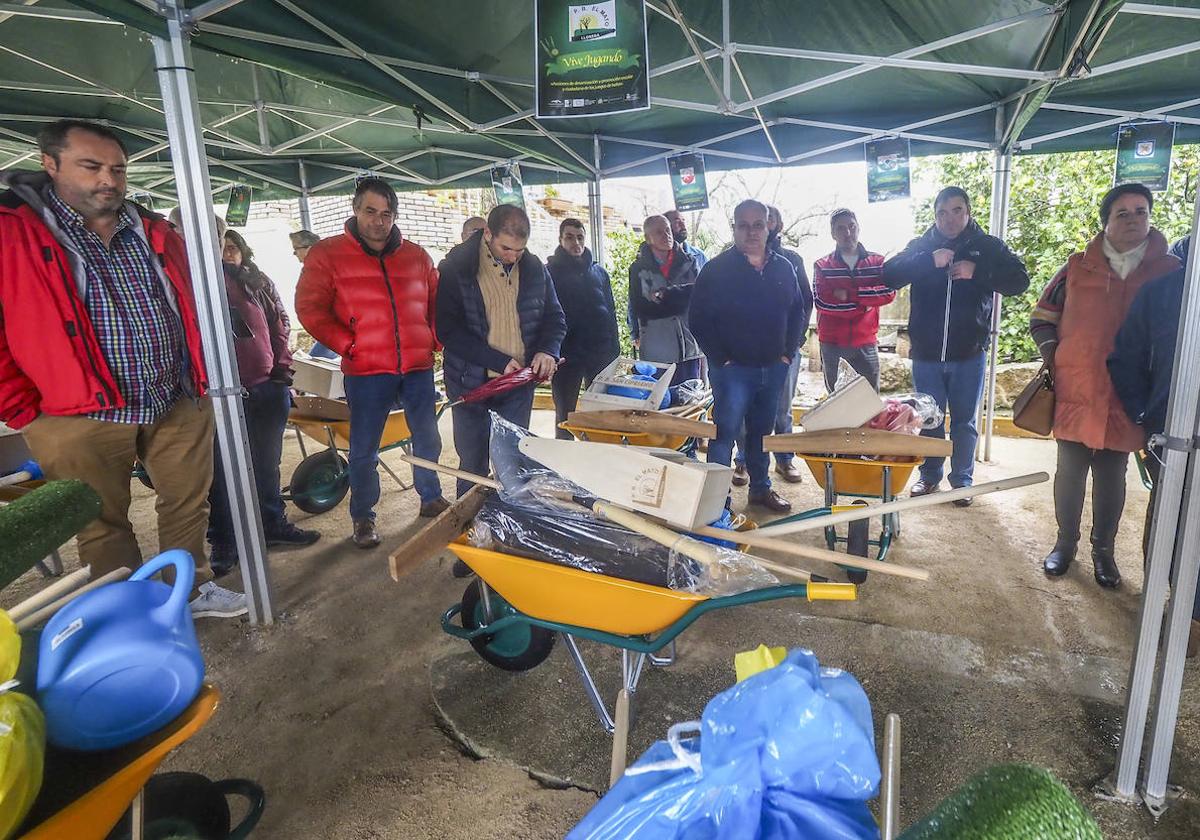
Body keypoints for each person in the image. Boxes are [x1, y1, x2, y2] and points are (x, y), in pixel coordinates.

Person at [0, 119, 246, 618]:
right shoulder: (13, 233)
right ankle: (129, 614)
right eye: (91, 167)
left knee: (186, 504)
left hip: (171, 396)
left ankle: (190, 590)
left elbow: (191, 303)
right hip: (76, 411)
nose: (108, 180)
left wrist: (197, 376)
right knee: (100, 519)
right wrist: (23, 408)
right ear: (51, 164)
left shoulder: (150, 228)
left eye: (117, 168)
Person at [1030, 184, 1180, 587]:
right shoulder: (1077, 267)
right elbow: (1042, 316)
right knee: (1070, 470)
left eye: (1140, 211)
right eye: (1123, 213)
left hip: (1130, 395)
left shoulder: (1170, 272)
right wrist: (1058, 356)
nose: (1133, 220)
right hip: (1077, 388)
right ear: (1106, 222)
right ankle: (1064, 544)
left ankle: (1104, 551)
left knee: (1113, 474)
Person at [296, 177, 447, 549]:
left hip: (416, 366)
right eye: (371, 212)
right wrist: (348, 344)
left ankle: (430, 497)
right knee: (364, 448)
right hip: (366, 371)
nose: (379, 221)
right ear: (355, 209)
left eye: (386, 214)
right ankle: (363, 516)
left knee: (428, 437)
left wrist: (435, 339)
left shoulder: (417, 256)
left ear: (395, 216)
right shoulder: (327, 255)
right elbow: (309, 308)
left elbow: (435, 302)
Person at [883, 186, 1029, 505]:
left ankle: (962, 481)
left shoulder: (987, 246)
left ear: (968, 212)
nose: (949, 219)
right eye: (942, 213)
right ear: (934, 216)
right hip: (926, 354)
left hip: (969, 353)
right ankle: (929, 476)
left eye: (956, 210)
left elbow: (1019, 280)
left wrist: (978, 272)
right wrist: (927, 261)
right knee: (929, 418)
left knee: (964, 421)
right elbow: (889, 275)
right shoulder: (922, 245)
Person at [207, 230, 319, 574]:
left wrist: (282, 371)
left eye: (232, 247)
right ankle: (224, 540)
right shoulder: (200, 283)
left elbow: (281, 326)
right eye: (220, 248)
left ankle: (272, 524)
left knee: (267, 463)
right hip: (220, 394)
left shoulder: (258, 282)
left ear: (242, 251)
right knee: (221, 472)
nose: (227, 254)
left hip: (267, 387)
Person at [437, 204, 566, 499]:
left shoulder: (534, 269)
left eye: (519, 250)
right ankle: (471, 526)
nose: (513, 257)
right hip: (470, 385)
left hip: (517, 386)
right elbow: (448, 330)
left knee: (512, 461)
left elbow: (555, 319)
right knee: (472, 464)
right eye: (506, 248)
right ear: (487, 233)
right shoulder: (457, 268)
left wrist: (547, 350)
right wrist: (496, 360)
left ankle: (508, 528)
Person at [689, 199, 806, 514]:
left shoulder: (784, 267)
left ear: (769, 227)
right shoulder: (716, 269)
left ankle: (760, 490)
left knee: (760, 433)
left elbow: (798, 310)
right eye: (744, 225)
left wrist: (787, 353)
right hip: (732, 370)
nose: (751, 231)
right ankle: (717, 501)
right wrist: (722, 358)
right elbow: (697, 319)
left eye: (758, 225)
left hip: (773, 367)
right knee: (724, 432)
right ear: (734, 229)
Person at [1108, 259, 1200, 652]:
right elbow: (1125, 358)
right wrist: (1147, 414)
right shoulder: (1166, 289)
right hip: (1174, 433)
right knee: (1171, 525)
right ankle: (1186, 612)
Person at [732, 205, 814, 486]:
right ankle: (742, 461)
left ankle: (784, 459)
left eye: (766, 221)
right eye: (750, 223)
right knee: (744, 412)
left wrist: (791, 348)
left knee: (781, 410)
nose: (757, 228)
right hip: (744, 357)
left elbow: (803, 304)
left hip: (783, 355)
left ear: (774, 226)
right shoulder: (735, 261)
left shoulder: (790, 260)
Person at [547, 218, 620, 439]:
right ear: (560, 239)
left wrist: (615, 349)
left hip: (599, 353)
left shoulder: (599, 272)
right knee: (565, 413)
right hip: (566, 356)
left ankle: (595, 457)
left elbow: (610, 311)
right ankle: (564, 462)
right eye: (569, 237)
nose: (575, 242)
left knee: (598, 411)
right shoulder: (549, 272)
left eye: (579, 237)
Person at [812, 208, 892, 391]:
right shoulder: (822, 266)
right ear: (833, 233)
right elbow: (822, 303)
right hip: (832, 343)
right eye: (841, 228)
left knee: (870, 401)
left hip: (866, 341)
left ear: (858, 228)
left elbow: (888, 292)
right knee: (837, 402)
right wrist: (865, 306)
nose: (847, 233)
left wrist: (851, 295)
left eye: (851, 226)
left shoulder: (877, 262)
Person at [628, 215, 703, 385]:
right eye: (659, 232)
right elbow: (642, 308)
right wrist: (682, 296)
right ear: (648, 239)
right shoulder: (638, 269)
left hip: (688, 347)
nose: (666, 235)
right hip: (657, 350)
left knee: (689, 402)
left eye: (668, 230)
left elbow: (699, 296)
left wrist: (666, 295)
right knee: (661, 404)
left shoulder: (690, 262)